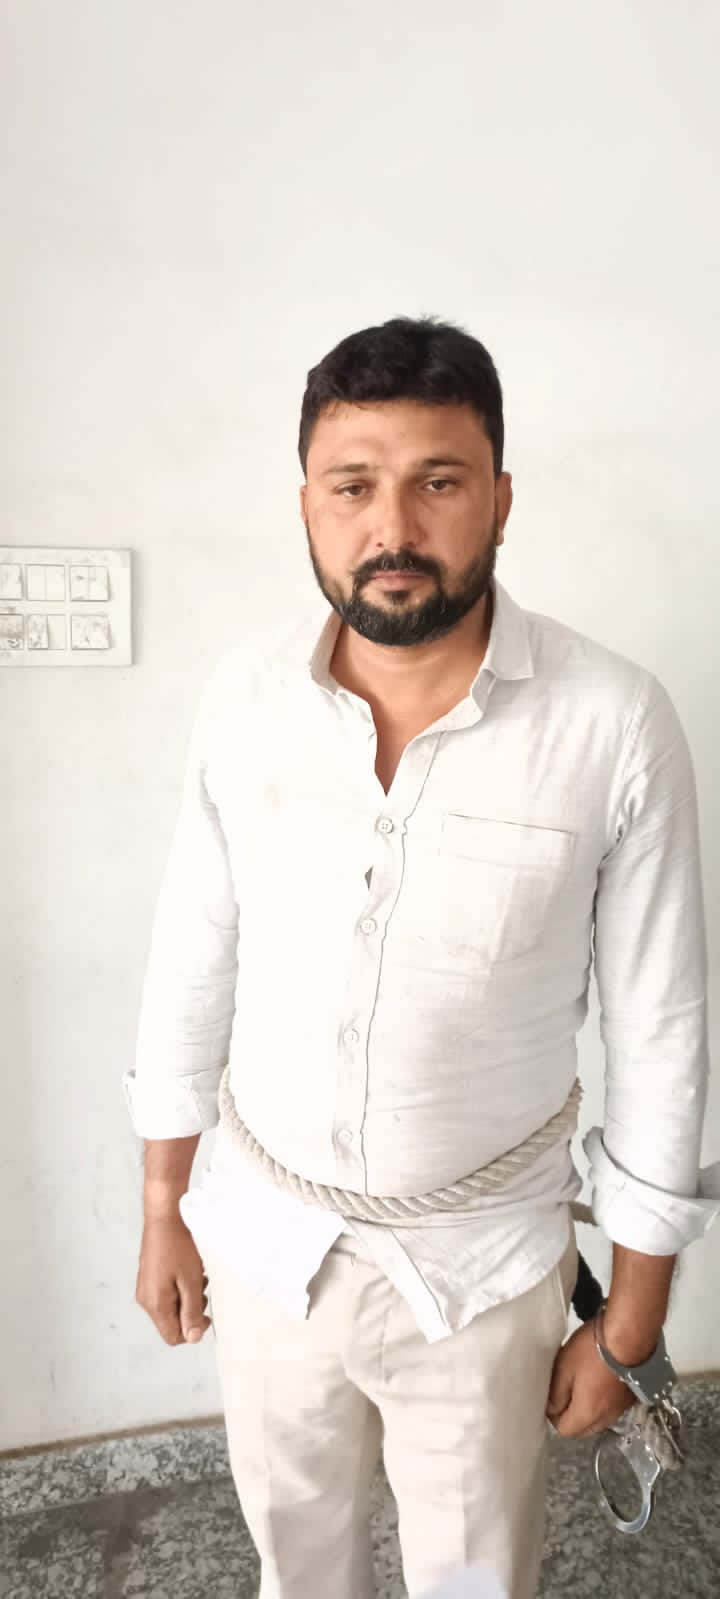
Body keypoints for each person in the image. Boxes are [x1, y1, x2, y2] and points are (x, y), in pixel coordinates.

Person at [126, 316, 717, 1599]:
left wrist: (631, 1320)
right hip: (264, 1247)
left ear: (500, 497)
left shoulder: (615, 724)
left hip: (487, 1274)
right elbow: (192, 957)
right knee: (297, 1563)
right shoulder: (243, 700)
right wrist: (164, 1204)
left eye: (437, 481)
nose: (392, 527)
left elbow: (662, 1033)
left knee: (475, 1578)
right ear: (306, 504)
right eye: (353, 485)